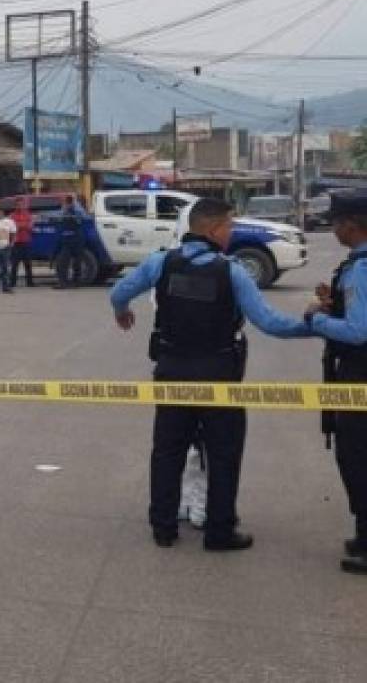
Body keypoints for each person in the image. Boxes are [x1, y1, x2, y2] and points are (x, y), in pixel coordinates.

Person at [110, 197, 314, 551]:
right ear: (213, 229)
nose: (231, 232)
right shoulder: (231, 270)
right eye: (230, 226)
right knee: (223, 452)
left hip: (172, 370)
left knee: (167, 450)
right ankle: (219, 532)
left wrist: (122, 311)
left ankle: (163, 528)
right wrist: (314, 325)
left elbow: (119, 292)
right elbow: (269, 322)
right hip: (219, 374)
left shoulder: (161, 262)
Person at [306, 189, 367, 575]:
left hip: (359, 374)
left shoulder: (361, 269)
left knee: (358, 455)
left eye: (336, 223)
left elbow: (359, 331)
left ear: (351, 225)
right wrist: (336, 302)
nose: (333, 230)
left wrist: (317, 319)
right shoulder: (356, 265)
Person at [55, 194, 88, 288]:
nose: (67, 204)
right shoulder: (64, 210)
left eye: (68, 202)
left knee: (77, 262)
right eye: (66, 202)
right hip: (67, 240)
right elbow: (59, 217)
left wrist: (74, 208)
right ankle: (63, 282)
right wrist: (65, 210)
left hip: (77, 239)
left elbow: (84, 217)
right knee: (63, 261)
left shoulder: (78, 210)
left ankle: (76, 282)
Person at [9, 202, 35, 289]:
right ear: (15, 206)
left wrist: (20, 225)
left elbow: (30, 226)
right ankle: (12, 282)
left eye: (21, 204)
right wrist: (23, 225)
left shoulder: (28, 214)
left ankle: (30, 282)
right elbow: (12, 227)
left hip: (26, 241)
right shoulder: (12, 215)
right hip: (16, 242)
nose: (20, 206)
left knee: (28, 263)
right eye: (18, 204)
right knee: (14, 264)